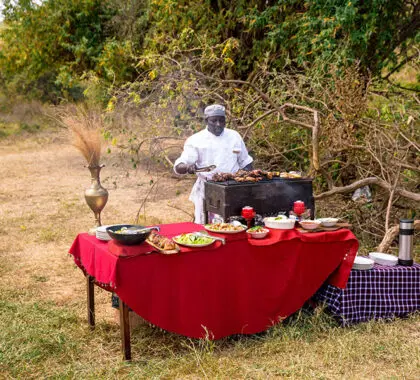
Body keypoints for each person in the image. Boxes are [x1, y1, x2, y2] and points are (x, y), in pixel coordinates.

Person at [174, 104, 253, 224]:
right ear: (206, 120)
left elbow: (246, 162)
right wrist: (187, 167)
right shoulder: (196, 140)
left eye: (222, 121)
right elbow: (180, 165)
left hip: (232, 188)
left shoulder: (234, 136)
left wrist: (244, 179)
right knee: (206, 227)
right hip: (207, 189)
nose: (218, 124)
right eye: (214, 121)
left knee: (234, 225)